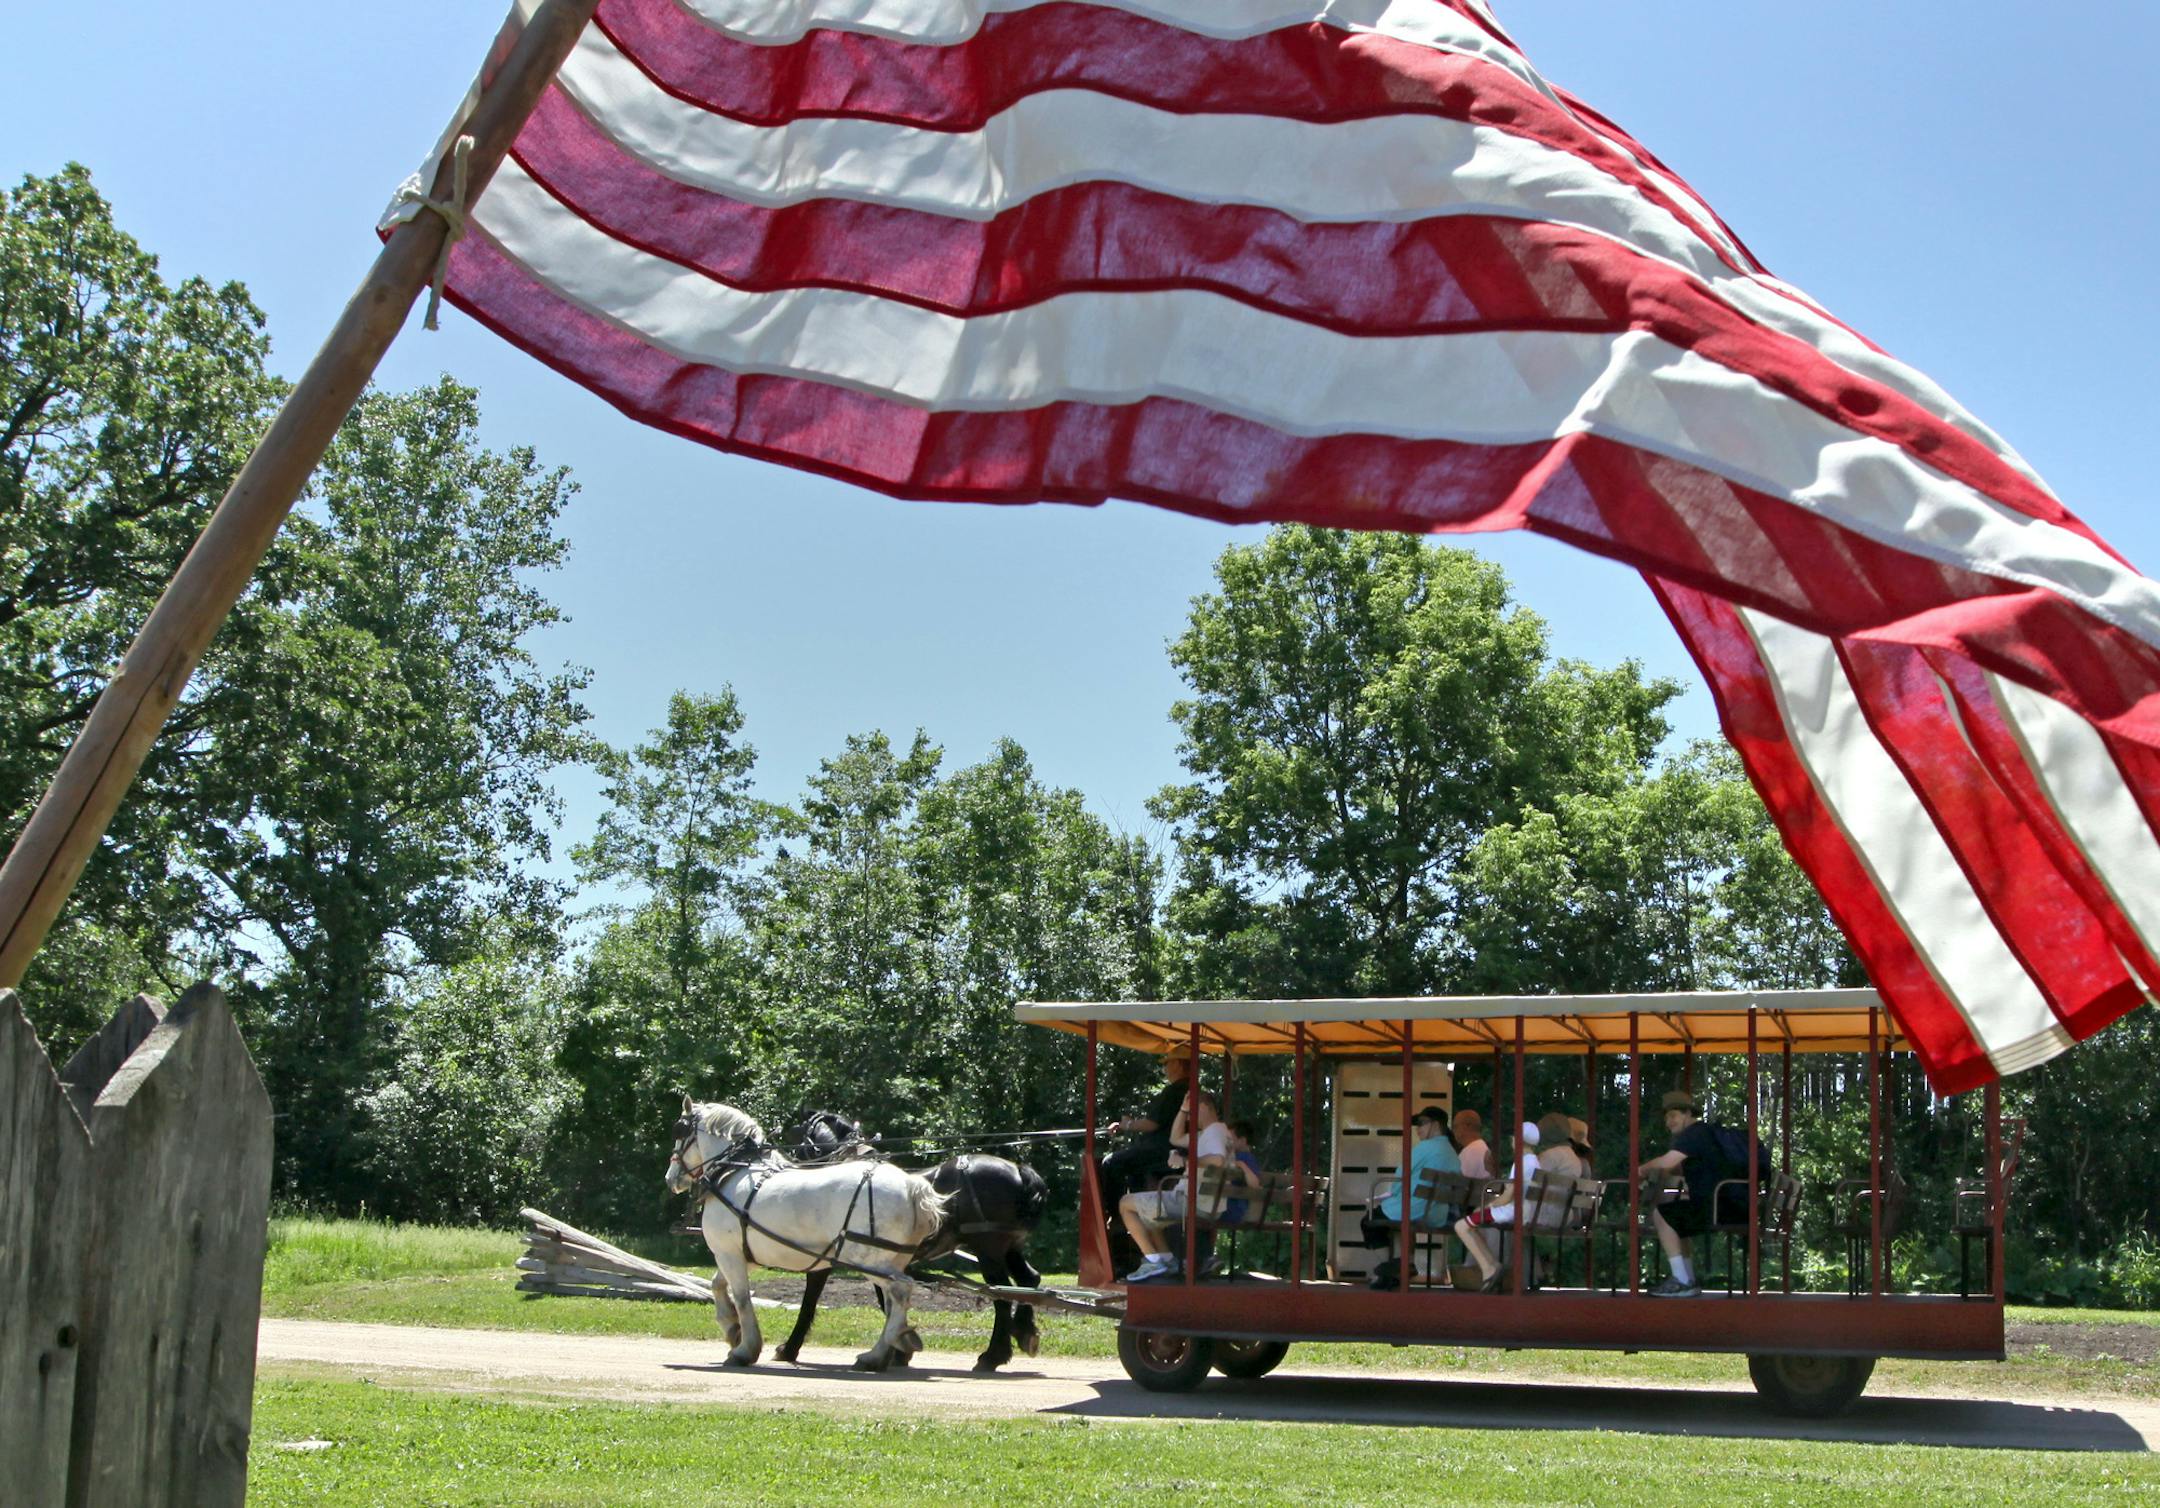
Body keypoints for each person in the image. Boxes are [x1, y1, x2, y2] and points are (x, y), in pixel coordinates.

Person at [1634, 1090, 1749, 1298]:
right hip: (1730, 1206)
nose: (1668, 1122)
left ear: (1687, 1114)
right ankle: (1687, 1278)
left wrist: (1641, 1169)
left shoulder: (1693, 1134)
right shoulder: (1704, 1133)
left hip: (1718, 1208)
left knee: (1661, 1215)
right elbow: (1684, 1167)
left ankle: (1682, 1280)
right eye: (1666, 1117)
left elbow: (1669, 1161)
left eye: (1673, 1115)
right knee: (1677, 1219)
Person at [1119, 1088, 1227, 1282]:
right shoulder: (1211, 1133)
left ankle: (1153, 1261)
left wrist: (1185, 1161)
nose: (1189, 1118)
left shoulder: (1214, 1133)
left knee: (1126, 1203)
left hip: (1192, 1201)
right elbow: (1174, 1139)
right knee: (1150, 1217)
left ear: (1203, 1107)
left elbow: (1218, 1160)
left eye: (1192, 1111)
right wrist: (1183, 1110)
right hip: (1206, 1202)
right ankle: (1167, 1261)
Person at [1357, 1106, 1462, 1290]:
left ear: (1436, 1125)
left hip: (1414, 1209)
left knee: (1369, 1221)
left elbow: (1400, 1176)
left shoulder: (1425, 1148)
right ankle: (1405, 1264)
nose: (1418, 1129)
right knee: (1402, 1221)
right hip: (1437, 1214)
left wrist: (1393, 1193)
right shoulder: (1452, 1152)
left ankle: (1390, 1268)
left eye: (1422, 1124)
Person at [1453, 1120, 1544, 1292]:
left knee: (1461, 1226)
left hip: (1511, 1212)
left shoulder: (1521, 1163)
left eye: (1513, 1137)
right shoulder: (1535, 1162)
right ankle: (1492, 1265)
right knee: (1469, 1224)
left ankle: (1489, 1268)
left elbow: (1509, 1194)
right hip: (1525, 1211)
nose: (1511, 1141)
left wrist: (1488, 1207)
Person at [1099, 1051, 1193, 1211]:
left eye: (1167, 1064)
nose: (1164, 1069)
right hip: (1177, 1151)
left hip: (1163, 1152)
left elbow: (1152, 1124)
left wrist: (1127, 1125)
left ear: (1177, 1064)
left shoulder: (1174, 1091)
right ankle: (1138, 1213)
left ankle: (1115, 1215)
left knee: (1111, 1162)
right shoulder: (1192, 1089)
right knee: (1136, 1169)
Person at [1452, 1109, 1492, 1180]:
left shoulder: (1471, 1152)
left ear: (1467, 1126)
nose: (1453, 1131)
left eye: (1455, 1126)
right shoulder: (1480, 1147)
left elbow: (1459, 1184)